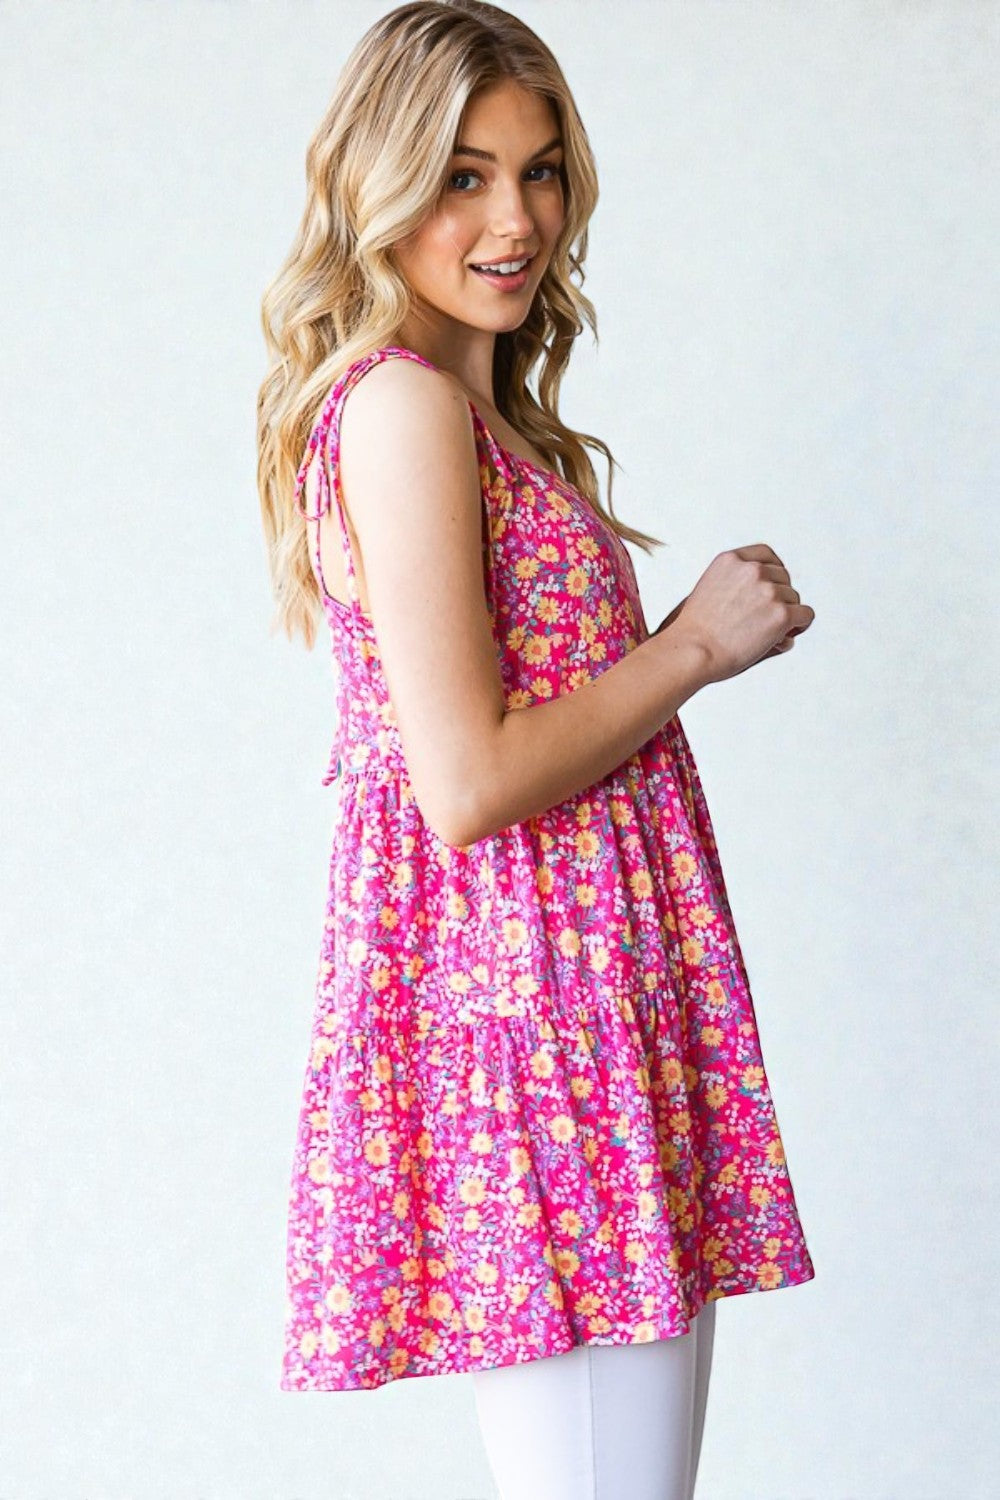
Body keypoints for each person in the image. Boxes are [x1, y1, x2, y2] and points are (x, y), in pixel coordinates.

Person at [256, 3, 817, 1495]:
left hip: (590, 1026)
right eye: (461, 174)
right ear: (380, 187)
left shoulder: (482, 419)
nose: (517, 218)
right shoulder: (400, 409)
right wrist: (693, 646)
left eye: (543, 170)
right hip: (540, 1047)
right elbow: (469, 782)